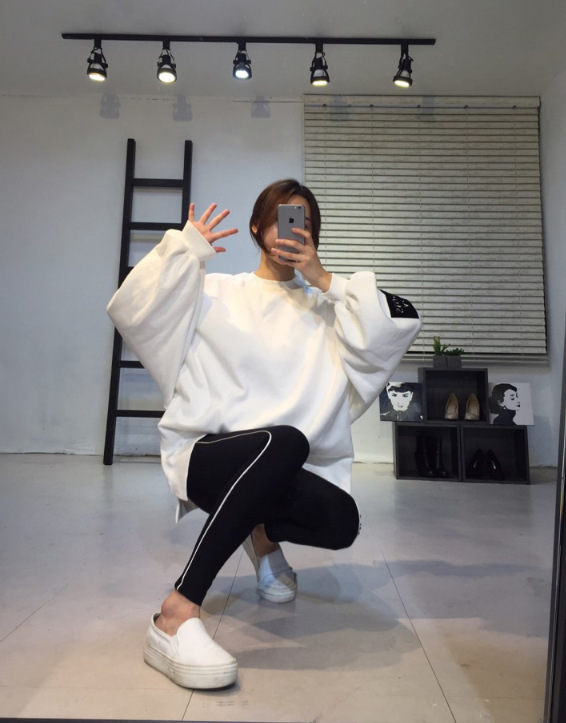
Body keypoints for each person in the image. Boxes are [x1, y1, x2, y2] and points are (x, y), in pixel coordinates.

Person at [107, 178, 421, 691]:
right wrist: (185, 249)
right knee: (286, 441)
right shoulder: (216, 292)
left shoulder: (327, 311)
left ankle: (263, 536)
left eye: (303, 223)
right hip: (208, 455)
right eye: (280, 218)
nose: (290, 231)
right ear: (257, 226)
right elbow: (132, 307)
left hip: (277, 465)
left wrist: (325, 279)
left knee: (342, 521)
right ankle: (176, 613)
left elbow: (402, 319)